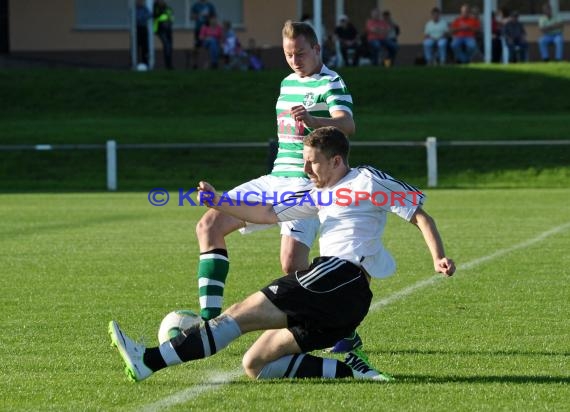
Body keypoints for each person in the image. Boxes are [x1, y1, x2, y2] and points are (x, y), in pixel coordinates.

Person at [109, 126, 456, 382]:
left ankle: (149, 361)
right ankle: (350, 371)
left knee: (236, 316)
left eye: (312, 163)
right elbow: (266, 214)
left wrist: (437, 256)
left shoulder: (366, 180)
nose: (306, 171)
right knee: (257, 365)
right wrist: (218, 202)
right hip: (345, 305)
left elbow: (418, 213)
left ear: (336, 160)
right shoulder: (318, 195)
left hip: (339, 276)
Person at [194, 20, 355, 346]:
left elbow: (347, 124)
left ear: (317, 49)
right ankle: (209, 326)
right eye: (288, 54)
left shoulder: (331, 82)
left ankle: (342, 329)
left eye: (300, 53)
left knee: (291, 264)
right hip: (274, 177)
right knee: (209, 224)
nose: (295, 60)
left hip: (308, 183)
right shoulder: (286, 83)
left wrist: (314, 121)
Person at [190, 0, 216, 68]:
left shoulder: (210, 5)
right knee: (196, 47)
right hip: (198, 29)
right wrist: (198, 15)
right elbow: (191, 17)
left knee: (208, 47)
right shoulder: (195, 5)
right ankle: (194, 64)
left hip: (208, 30)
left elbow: (214, 17)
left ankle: (208, 64)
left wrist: (208, 17)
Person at [153, 0, 174, 69]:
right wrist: (163, 14)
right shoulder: (155, 7)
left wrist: (170, 21)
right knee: (167, 46)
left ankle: (169, 64)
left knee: (169, 47)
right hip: (160, 30)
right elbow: (155, 16)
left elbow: (171, 16)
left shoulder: (167, 7)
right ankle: (168, 65)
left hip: (168, 29)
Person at [136, 0, 152, 67]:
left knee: (145, 47)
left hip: (143, 29)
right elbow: (135, 18)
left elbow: (149, 15)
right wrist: (140, 19)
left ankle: (145, 63)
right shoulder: (135, 9)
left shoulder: (145, 9)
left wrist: (141, 18)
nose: (140, 2)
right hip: (136, 29)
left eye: (141, 1)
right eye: (139, 1)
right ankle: (135, 62)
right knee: (136, 47)